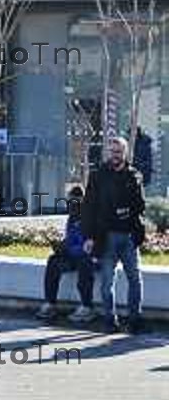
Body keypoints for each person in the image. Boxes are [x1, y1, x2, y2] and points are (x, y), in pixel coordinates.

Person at [82, 136, 146, 334]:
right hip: (106, 236)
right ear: (108, 153)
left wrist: (139, 231)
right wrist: (90, 237)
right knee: (107, 282)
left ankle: (135, 320)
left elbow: (140, 206)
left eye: (119, 152)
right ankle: (110, 320)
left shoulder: (134, 175)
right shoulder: (98, 176)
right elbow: (89, 208)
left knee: (135, 279)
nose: (115, 155)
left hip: (129, 237)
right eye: (112, 151)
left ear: (125, 153)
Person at [36, 186, 96, 323]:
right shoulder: (72, 218)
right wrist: (61, 246)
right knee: (53, 260)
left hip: (90, 257)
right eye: (69, 201)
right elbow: (71, 239)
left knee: (84, 263)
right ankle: (50, 303)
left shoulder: (90, 217)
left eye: (75, 201)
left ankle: (87, 306)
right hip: (73, 255)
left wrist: (68, 249)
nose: (71, 204)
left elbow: (88, 246)